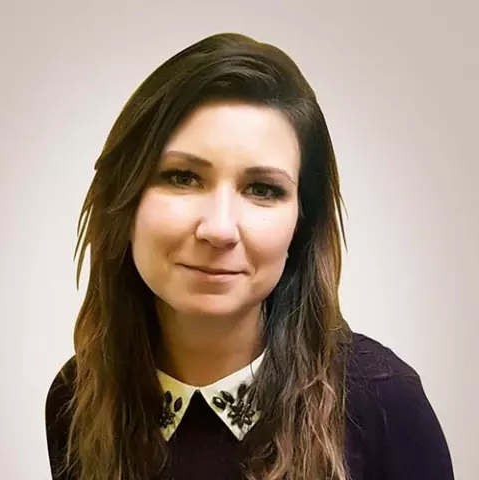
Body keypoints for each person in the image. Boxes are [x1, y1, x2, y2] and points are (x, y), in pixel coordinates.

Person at [45, 32, 455, 480]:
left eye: (262, 189)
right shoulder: (76, 398)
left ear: (301, 223)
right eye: (182, 177)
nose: (219, 228)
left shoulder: (382, 404)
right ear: (123, 199)